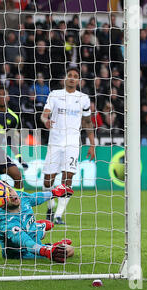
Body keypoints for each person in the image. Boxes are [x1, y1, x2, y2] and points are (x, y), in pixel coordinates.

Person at [40, 67, 95, 225]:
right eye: (69, 75)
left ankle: (58, 215)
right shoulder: (55, 94)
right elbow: (44, 114)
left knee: (68, 177)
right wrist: (46, 121)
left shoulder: (83, 98)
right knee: (47, 180)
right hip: (55, 142)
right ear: (65, 78)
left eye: (75, 76)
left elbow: (87, 122)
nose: (72, 78)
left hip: (72, 143)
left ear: (79, 80)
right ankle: (50, 207)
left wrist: (92, 144)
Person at [0, 180, 75, 263]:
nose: (12, 195)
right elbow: (26, 242)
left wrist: (54, 193)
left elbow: (35, 198)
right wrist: (45, 251)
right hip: (22, 253)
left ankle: (40, 228)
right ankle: (50, 244)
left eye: (10, 190)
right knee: (69, 249)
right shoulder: (8, 224)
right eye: (7, 196)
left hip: (29, 232)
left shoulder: (21, 196)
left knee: (46, 228)